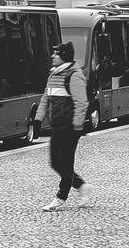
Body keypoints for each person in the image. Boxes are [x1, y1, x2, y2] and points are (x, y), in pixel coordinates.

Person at [39, 42, 95, 212]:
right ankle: (82, 186)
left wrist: (77, 125)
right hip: (57, 125)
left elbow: (82, 103)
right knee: (56, 162)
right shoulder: (53, 75)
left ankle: (60, 197)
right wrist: (37, 119)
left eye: (56, 54)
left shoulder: (74, 75)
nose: (52, 56)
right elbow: (45, 98)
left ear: (64, 56)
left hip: (70, 127)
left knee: (66, 163)